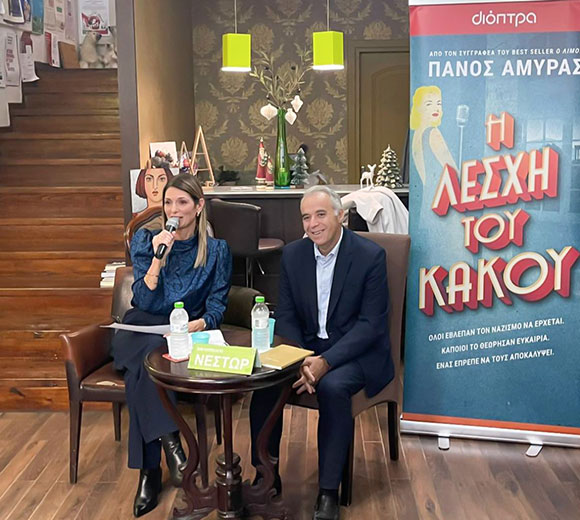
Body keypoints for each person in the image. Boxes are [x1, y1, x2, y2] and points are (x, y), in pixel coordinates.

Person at [249, 186, 394, 520]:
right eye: (306, 217)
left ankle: (328, 491)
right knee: (265, 381)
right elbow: (286, 315)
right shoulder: (293, 255)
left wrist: (326, 362)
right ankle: (266, 478)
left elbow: (371, 326)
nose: (313, 224)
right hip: (307, 348)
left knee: (332, 387)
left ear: (340, 215)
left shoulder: (370, 256)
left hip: (358, 352)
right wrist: (301, 359)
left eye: (320, 214)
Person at [112, 173, 232, 517]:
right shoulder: (145, 240)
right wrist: (157, 259)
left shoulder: (216, 251)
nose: (174, 210)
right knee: (146, 350)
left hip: (180, 332)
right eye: (168, 202)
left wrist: (201, 323)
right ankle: (173, 444)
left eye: (182, 202)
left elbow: (217, 305)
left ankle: (149, 474)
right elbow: (143, 301)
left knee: (141, 373)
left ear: (198, 206)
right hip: (140, 328)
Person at [410, 85, 457, 217]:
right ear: (418, 108)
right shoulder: (433, 133)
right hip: (442, 200)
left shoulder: (416, 134)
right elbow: (452, 168)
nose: (435, 108)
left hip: (428, 198)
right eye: (429, 104)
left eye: (439, 103)